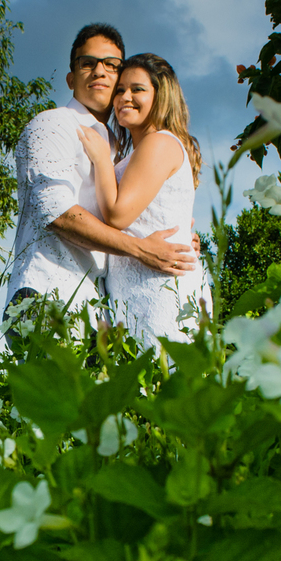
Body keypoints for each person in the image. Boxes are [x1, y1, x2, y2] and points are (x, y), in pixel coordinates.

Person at [4, 24, 198, 334]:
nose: (100, 71)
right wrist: (141, 248)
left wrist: (179, 235)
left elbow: (141, 205)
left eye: (111, 66)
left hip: (99, 313)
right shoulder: (52, 124)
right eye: (88, 63)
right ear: (71, 77)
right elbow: (56, 213)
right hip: (47, 295)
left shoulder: (117, 149)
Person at [77, 53, 210, 352]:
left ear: (161, 96)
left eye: (137, 89)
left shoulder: (159, 142)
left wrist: (100, 159)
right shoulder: (138, 152)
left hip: (157, 290)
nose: (125, 97)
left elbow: (117, 215)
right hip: (135, 292)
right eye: (120, 90)